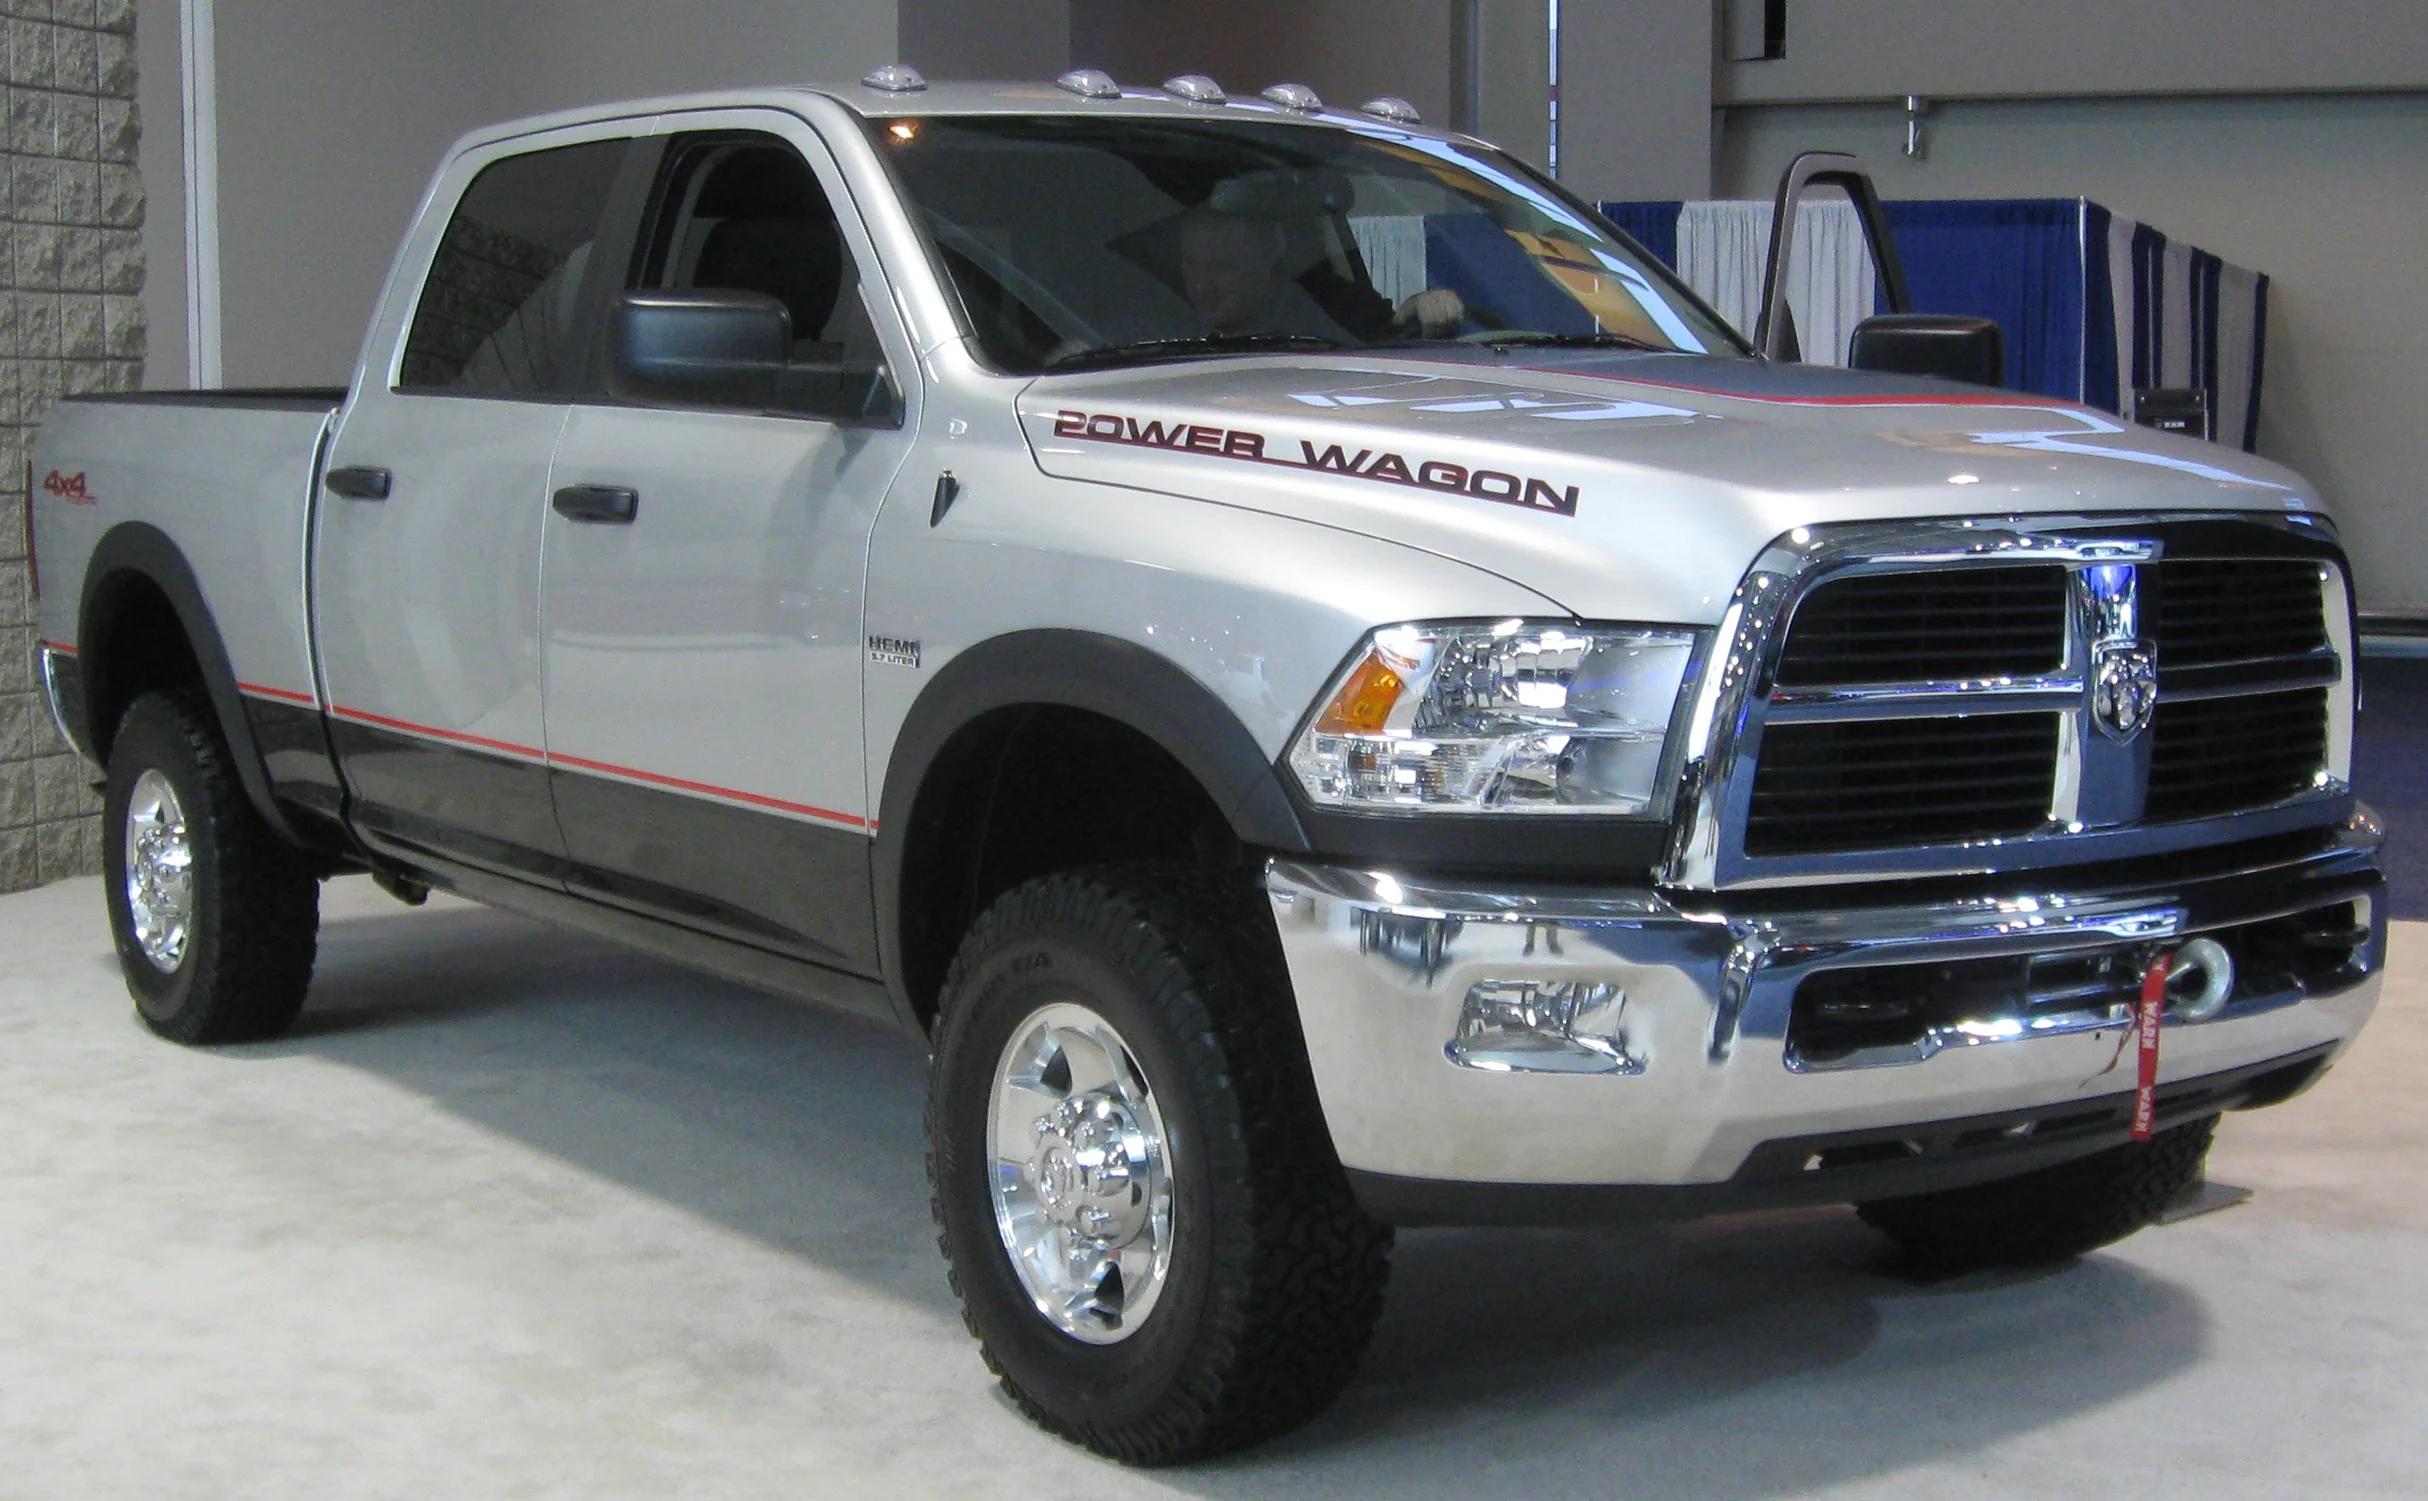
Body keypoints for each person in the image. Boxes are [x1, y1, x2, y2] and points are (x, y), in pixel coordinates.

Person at [1177, 204, 1466, 342]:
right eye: (1192, 264)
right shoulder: (1163, 328)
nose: (1202, 286)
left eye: (1222, 268)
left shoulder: (1332, 310)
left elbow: (1385, 339)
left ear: (1267, 259)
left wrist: (1421, 315)